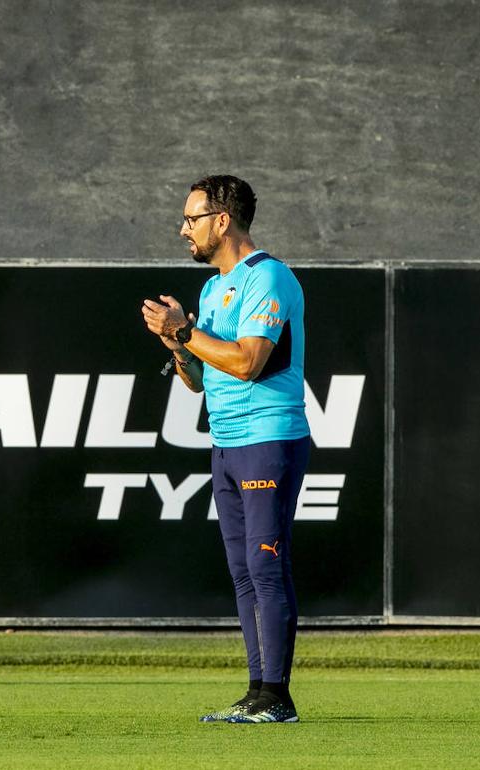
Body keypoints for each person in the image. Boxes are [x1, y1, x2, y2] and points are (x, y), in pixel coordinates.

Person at [142, 175, 311, 723]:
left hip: (268, 439)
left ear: (222, 220)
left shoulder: (269, 277)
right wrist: (178, 343)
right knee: (242, 572)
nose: (182, 228)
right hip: (226, 442)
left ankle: (277, 698)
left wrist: (186, 333)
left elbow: (247, 362)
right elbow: (200, 381)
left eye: (191, 218)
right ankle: (257, 690)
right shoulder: (212, 289)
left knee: (266, 568)